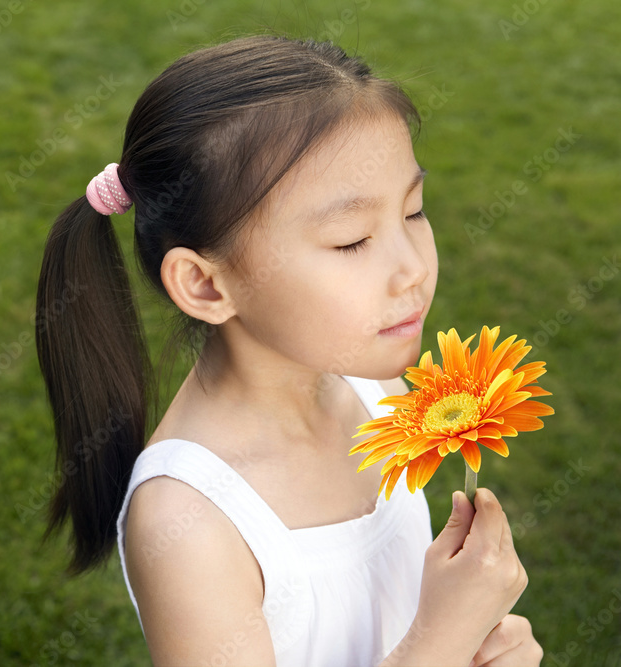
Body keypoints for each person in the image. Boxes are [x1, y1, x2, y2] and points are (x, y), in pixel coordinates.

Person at [34, 35, 542, 666]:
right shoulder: (189, 520)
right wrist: (442, 638)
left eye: (413, 211)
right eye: (351, 241)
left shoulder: (374, 392)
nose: (412, 267)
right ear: (206, 284)